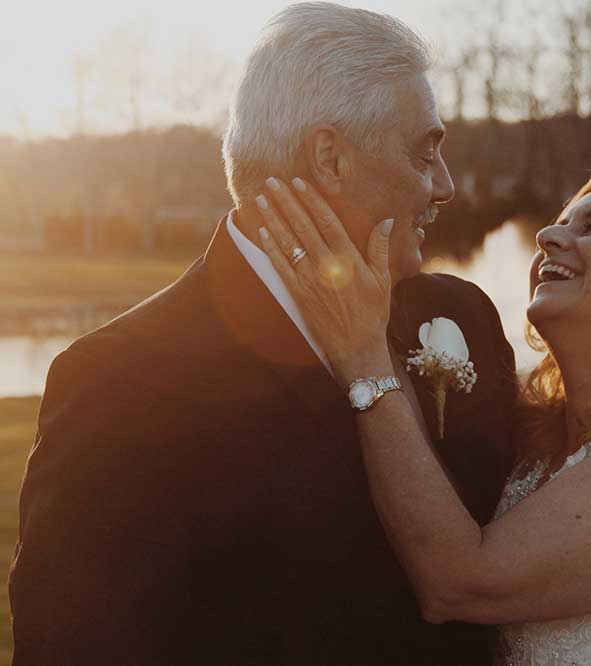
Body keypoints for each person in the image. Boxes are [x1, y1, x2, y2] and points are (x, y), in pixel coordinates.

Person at [8, 4, 517, 664]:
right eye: (424, 155)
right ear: (329, 158)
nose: (444, 187)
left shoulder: (462, 319)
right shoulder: (119, 382)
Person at [254, 161, 591, 665]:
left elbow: (460, 581)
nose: (548, 237)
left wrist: (363, 353)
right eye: (560, 223)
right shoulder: (532, 448)